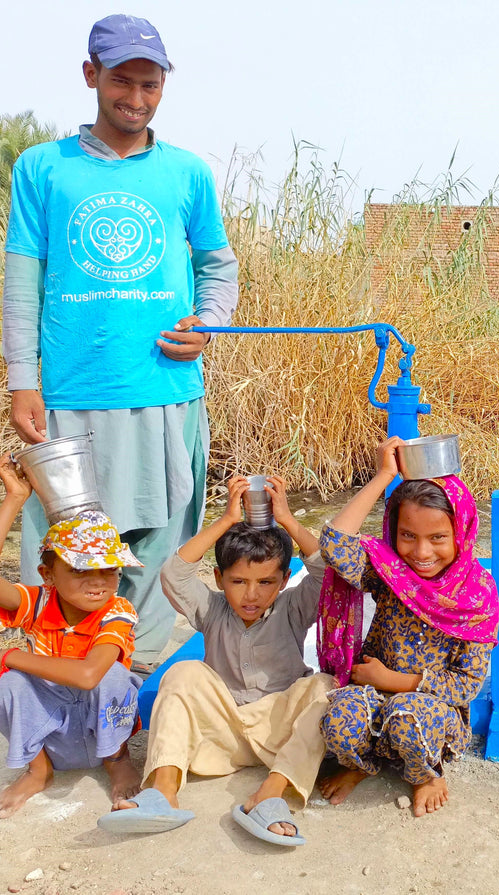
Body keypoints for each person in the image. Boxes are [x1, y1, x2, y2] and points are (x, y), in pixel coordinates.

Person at [2, 14, 238, 668]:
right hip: (70, 396)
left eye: (151, 85)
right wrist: (24, 377)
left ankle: (132, 684)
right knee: (62, 549)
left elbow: (219, 265)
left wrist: (207, 325)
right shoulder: (42, 169)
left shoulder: (186, 173)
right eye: (122, 82)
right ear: (91, 76)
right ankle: (55, 678)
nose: (136, 98)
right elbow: (22, 280)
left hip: (166, 390)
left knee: (163, 546)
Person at [97, 476, 332, 846]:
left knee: (325, 686)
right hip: (221, 734)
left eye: (266, 582)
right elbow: (174, 573)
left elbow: (326, 571)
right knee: (184, 672)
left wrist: (287, 520)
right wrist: (224, 520)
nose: (251, 595)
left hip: (280, 732)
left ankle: (269, 794)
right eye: (238, 581)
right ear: (219, 578)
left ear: (285, 579)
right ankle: (162, 793)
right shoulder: (210, 608)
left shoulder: (293, 606)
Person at [317, 436, 499, 817]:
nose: (421, 552)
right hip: (373, 692)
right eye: (407, 536)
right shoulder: (389, 572)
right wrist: (384, 476)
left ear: (462, 533)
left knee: (407, 718)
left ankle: (425, 775)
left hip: (430, 707)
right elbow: (334, 545)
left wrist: (393, 680)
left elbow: (466, 683)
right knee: (338, 721)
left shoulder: (477, 593)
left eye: (438, 538)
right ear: (392, 531)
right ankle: (361, 766)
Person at [0, 457, 143, 818]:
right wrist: (15, 498)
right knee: (10, 685)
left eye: (109, 569)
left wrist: (9, 657)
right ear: (47, 574)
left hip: (104, 734)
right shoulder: (38, 602)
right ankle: (38, 770)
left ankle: (118, 760)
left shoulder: (117, 610)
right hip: (53, 735)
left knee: (112, 676)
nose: (97, 582)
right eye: (80, 569)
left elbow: (88, 676)